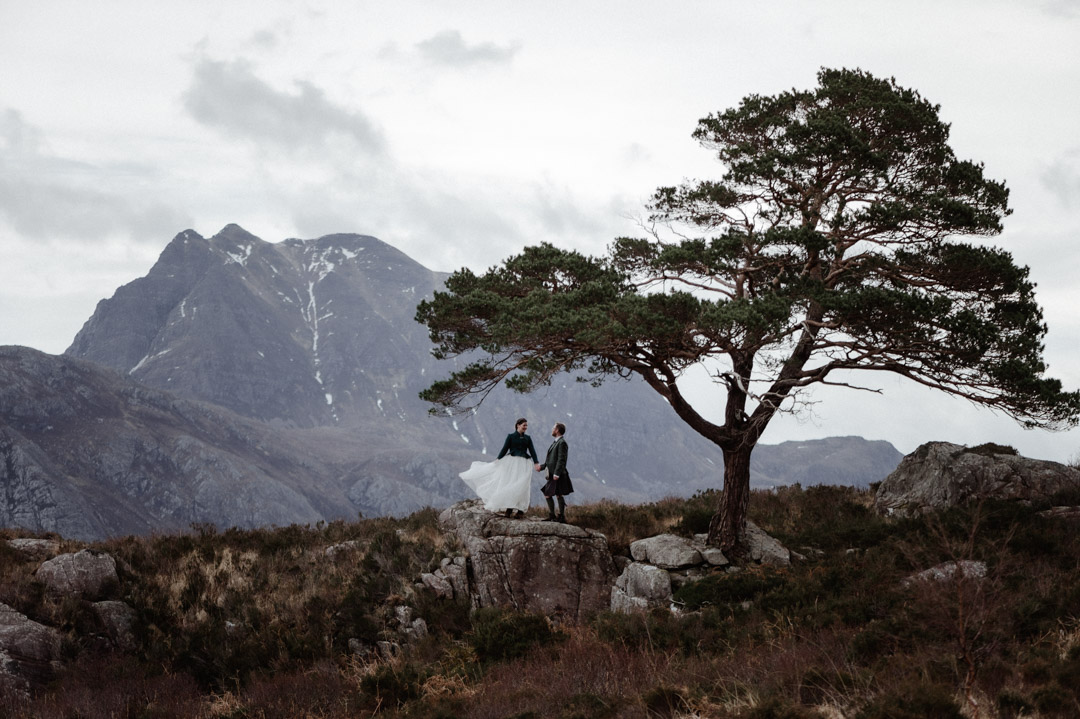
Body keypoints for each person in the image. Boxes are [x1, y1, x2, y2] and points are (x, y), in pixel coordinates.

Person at [459, 418, 540, 518]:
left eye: (526, 426)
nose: (525, 427)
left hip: (523, 463)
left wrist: (536, 462)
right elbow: (504, 448)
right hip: (512, 463)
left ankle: (520, 510)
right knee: (511, 483)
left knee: (523, 486)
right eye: (524, 425)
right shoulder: (510, 437)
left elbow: (532, 450)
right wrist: (498, 459)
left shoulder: (528, 438)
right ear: (518, 425)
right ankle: (509, 508)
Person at [537, 422, 573, 523]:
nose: (552, 429)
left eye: (553, 428)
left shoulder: (562, 443)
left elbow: (562, 459)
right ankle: (554, 516)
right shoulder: (556, 442)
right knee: (552, 494)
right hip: (553, 474)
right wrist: (542, 467)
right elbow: (550, 461)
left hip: (558, 474)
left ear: (557, 430)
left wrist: (557, 473)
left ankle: (560, 516)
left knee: (555, 494)